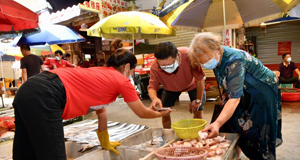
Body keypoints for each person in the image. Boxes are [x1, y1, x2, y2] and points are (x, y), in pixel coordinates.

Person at [12, 49, 171, 160]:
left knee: (25, 153)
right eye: (132, 70)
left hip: (27, 90)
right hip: (46, 94)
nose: (131, 74)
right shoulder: (121, 80)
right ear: (127, 67)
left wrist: (105, 141)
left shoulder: (100, 74)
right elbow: (142, 113)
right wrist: (162, 113)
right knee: (53, 155)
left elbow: (101, 111)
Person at [189, 32, 282, 160]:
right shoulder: (217, 59)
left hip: (262, 91)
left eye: (205, 60)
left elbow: (234, 99)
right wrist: (225, 92)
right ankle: (236, 155)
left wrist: (217, 123)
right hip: (244, 90)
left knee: (260, 130)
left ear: (216, 49)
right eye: (200, 62)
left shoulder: (235, 60)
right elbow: (227, 80)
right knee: (238, 124)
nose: (204, 64)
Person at [148, 42, 206, 129]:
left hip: (192, 84)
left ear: (178, 55)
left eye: (169, 64)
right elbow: (152, 86)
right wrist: (154, 98)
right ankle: (168, 134)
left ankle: (197, 135)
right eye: (163, 65)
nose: (166, 67)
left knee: (198, 109)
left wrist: (198, 100)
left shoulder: (189, 55)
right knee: (165, 112)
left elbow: (200, 78)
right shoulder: (155, 66)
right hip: (170, 88)